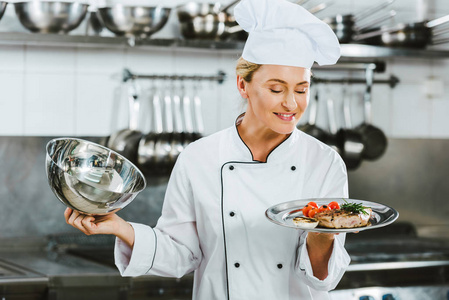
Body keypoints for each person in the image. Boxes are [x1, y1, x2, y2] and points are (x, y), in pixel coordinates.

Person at [64, 0, 351, 299]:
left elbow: (323, 280)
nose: (291, 104)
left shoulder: (324, 162)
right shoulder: (199, 158)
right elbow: (182, 254)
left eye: (302, 89)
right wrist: (120, 228)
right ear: (243, 85)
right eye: (276, 89)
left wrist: (322, 234)